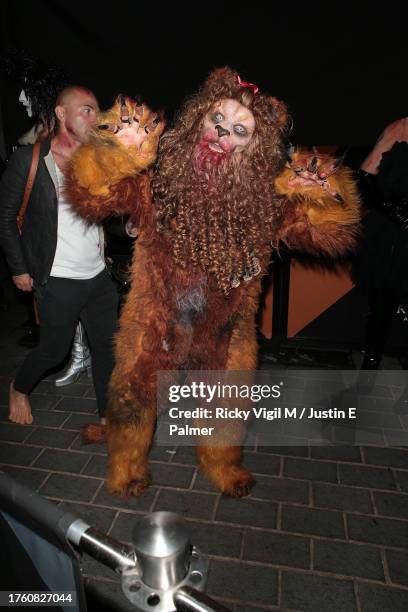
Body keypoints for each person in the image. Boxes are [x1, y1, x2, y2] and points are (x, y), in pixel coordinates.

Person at [0, 86, 118, 425]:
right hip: (58, 279)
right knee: (54, 351)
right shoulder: (30, 160)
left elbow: (109, 218)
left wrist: (131, 225)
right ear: (62, 113)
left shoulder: (96, 162)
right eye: (87, 110)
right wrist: (19, 268)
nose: (95, 117)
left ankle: (108, 417)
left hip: (98, 276)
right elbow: (5, 217)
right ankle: (19, 388)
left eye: (97, 110)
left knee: (107, 349)